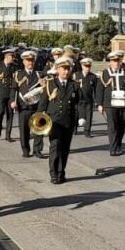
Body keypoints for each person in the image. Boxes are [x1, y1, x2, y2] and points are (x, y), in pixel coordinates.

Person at [37, 55, 80, 184]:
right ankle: (53, 173)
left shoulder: (74, 85)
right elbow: (43, 104)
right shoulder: (50, 84)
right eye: (63, 69)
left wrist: (80, 118)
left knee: (65, 148)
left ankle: (61, 172)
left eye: (68, 69)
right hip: (54, 122)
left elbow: (78, 103)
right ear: (57, 69)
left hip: (68, 122)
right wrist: (40, 121)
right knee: (55, 147)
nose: (66, 72)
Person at [98, 49, 125, 156]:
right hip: (110, 104)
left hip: (123, 103)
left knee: (121, 126)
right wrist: (100, 104)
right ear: (110, 62)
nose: (116, 63)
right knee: (112, 126)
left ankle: (118, 145)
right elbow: (100, 89)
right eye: (113, 61)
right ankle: (113, 148)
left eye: (117, 61)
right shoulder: (105, 73)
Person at [15, 50, 45, 158]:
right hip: (24, 106)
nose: (30, 63)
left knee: (38, 128)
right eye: (28, 61)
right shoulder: (18, 74)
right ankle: (26, 150)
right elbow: (13, 89)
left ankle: (37, 150)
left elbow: (45, 88)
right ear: (23, 62)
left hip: (36, 106)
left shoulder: (39, 74)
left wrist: (44, 85)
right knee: (24, 130)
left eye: (32, 61)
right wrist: (12, 101)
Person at [0, 49, 19, 141]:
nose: (13, 58)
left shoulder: (14, 67)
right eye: (12, 57)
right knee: (0, 112)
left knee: (10, 114)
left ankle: (8, 135)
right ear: (7, 57)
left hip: (11, 93)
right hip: (1, 92)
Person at [75, 56, 99, 138]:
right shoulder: (76, 75)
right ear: (82, 66)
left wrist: (97, 101)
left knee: (89, 115)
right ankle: (75, 128)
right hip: (78, 99)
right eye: (86, 66)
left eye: (89, 66)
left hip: (88, 99)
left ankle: (87, 131)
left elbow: (96, 89)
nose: (87, 68)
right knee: (76, 114)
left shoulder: (93, 77)